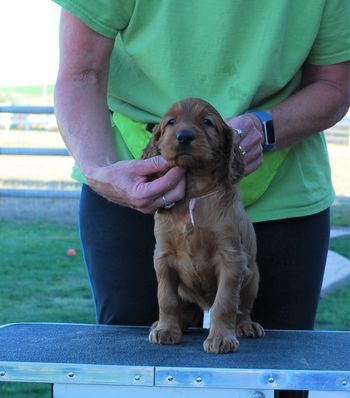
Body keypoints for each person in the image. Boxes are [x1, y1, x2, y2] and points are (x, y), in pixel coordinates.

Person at [53, 1, 350, 397]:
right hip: (136, 184)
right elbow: (81, 74)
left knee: (278, 372)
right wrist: (101, 171)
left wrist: (268, 127)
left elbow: (335, 83)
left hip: (279, 188)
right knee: (136, 374)